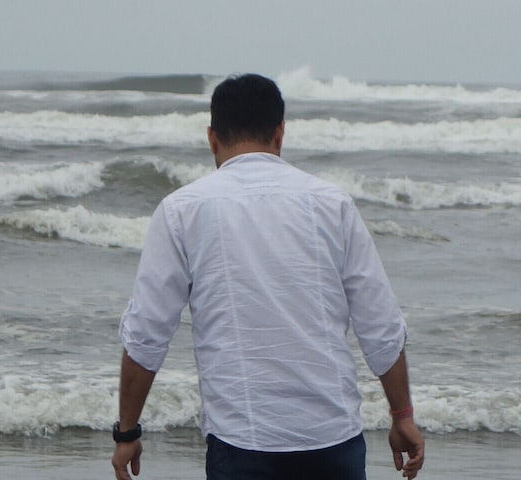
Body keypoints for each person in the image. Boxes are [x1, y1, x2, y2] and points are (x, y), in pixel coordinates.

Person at [111, 73, 425, 480]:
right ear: (280, 133)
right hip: (333, 439)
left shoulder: (182, 210)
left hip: (243, 440)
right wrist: (402, 417)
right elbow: (380, 324)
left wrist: (128, 432)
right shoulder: (332, 204)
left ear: (211, 138)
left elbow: (147, 333)